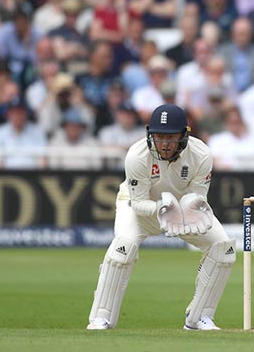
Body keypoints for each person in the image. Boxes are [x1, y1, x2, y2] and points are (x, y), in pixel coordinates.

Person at [87, 103, 236, 331]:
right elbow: (138, 203)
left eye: (171, 137)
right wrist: (161, 208)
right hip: (141, 208)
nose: (164, 143)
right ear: (151, 135)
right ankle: (101, 317)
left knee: (223, 249)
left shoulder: (201, 154)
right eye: (159, 137)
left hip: (182, 212)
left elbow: (198, 198)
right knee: (122, 250)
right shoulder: (137, 155)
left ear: (183, 136)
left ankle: (199, 317)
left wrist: (188, 211)